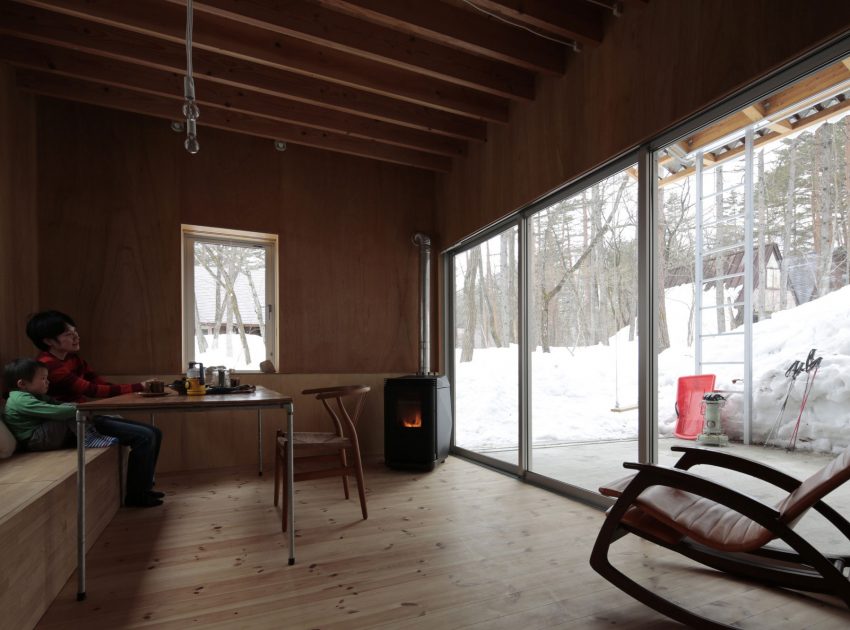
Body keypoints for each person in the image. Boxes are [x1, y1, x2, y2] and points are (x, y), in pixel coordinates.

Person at [26, 310, 165, 508]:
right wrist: (139, 387)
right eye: (68, 334)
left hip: (86, 414)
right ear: (49, 341)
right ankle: (136, 496)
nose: (76, 336)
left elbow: (100, 383)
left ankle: (143, 489)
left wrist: (138, 388)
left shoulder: (74, 359)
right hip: (69, 422)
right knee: (144, 436)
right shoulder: (47, 365)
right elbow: (92, 390)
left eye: (75, 331)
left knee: (154, 433)